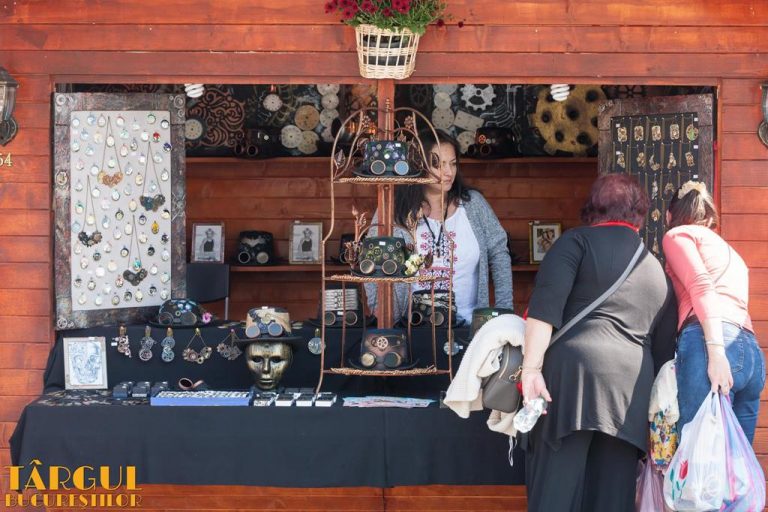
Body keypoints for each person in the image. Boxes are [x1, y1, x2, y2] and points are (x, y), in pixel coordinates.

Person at [519, 173, 678, 511]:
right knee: (611, 499)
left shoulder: (574, 243)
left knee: (554, 495)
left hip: (570, 382)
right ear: (640, 215)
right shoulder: (656, 271)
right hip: (629, 394)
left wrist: (530, 369)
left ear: (592, 209)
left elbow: (544, 311)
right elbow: (664, 352)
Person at [366, 130, 513, 324]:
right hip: (410, 327)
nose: (448, 172)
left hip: (470, 327)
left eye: (453, 163)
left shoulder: (473, 204)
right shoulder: (394, 208)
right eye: (438, 164)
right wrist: (379, 310)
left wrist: (504, 311)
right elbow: (370, 259)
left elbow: (499, 253)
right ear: (418, 164)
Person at [663, 181, 764, 443]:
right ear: (708, 216)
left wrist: (716, 352)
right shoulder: (730, 252)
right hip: (750, 352)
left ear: (669, 216)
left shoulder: (678, 235)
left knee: (699, 455)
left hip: (709, 344)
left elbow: (701, 285)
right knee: (737, 462)